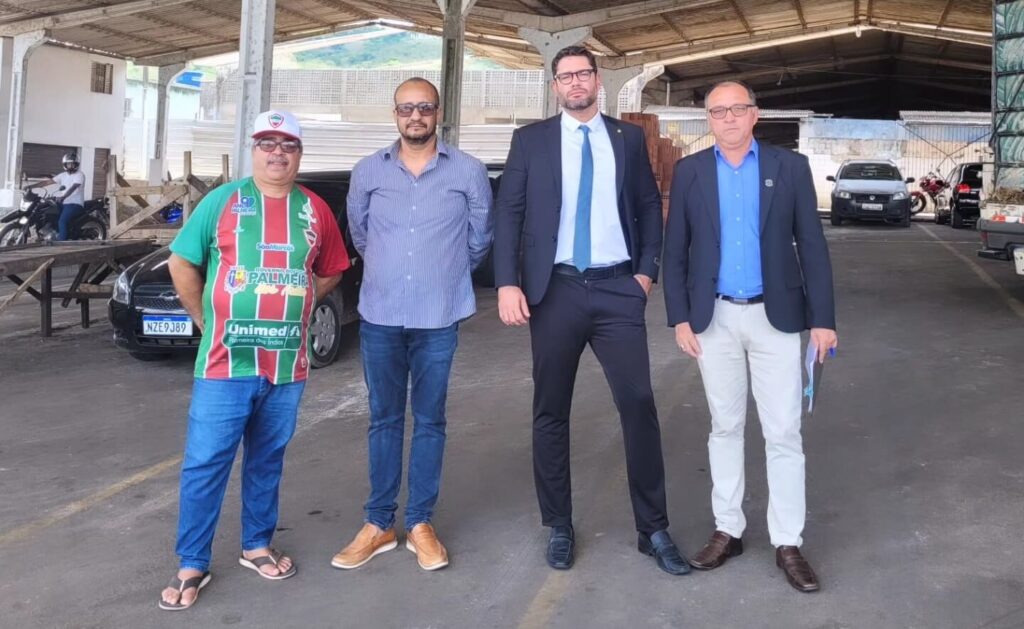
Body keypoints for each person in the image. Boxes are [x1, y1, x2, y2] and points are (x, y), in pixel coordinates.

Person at [492, 45, 689, 576]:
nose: (575, 83)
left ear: (598, 80)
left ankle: (653, 528)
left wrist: (644, 274)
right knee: (551, 409)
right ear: (555, 86)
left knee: (638, 403)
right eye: (566, 76)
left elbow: (647, 205)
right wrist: (507, 282)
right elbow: (509, 213)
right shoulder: (531, 140)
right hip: (554, 290)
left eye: (583, 74)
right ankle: (559, 523)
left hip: (617, 289)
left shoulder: (627, 138)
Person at [158, 109, 350, 611]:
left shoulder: (315, 210)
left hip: (286, 366)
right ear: (253, 150)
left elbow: (333, 268)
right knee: (205, 463)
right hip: (225, 363)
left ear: (299, 154)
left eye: (288, 144)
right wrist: (203, 318)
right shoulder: (222, 201)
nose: (277, 152)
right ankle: (192, 562)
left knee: (267, 459)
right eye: (267, 143)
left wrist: (300, 301)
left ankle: (257, 545)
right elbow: (181, 261)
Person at [662, 81, 837, 593]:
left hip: (775, 318)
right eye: (718, 112)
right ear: (709, 120)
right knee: (725, 426)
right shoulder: (691, 171)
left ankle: (787, 541)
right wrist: (679, 317)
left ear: (754, 115)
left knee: (783, 431)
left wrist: (823, 319)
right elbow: (676, 249)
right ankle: (728, 530)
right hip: (713, 318)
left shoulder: (790, 167)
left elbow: (812, 244)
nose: (728, 118)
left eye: (737, 109)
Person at [331, 78, 493, 572]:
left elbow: (479, 239)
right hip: (381, 315)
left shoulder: (468, 171)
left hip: (437, 317)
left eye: (424, 107)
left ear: (438, 112)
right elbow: (361, 234)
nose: (415, 116)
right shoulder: (368, 171)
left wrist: (441, 274)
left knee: (430, 419)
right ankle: (379, 523)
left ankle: (420, 522)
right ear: (395, 114)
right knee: (383, 418)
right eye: (406, 108)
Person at [36, 152, 86, 240]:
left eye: (72, 164)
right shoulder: (63, 175)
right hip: (64, 203)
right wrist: (31, 187)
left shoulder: (79, 175)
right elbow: (48, 182)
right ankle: (51, 234)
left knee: (62, 222)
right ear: (65, 165)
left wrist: (63, 197)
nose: (70, 166)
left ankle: (61, 243)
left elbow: (73, 187)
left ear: (76, 164)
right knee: (47, 212)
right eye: (68, 164)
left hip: (75, 204)